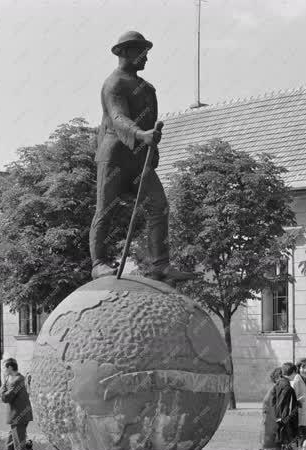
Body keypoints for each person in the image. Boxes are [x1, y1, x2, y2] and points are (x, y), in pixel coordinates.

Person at [89, 30, 195, 283]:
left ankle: (160, 265)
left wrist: (152, 147)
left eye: (147, 52)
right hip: (114, 155)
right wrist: (141, 134)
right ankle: (98, 263)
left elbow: (149, 123)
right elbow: (117, 118)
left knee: (159, 205)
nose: (146, 57)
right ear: (124, 52)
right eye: (141, 52)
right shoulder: (113, 84)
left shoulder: (148, 89)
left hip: (140, 158)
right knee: (106, 209)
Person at [0, 358, 34, 450]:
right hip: (19, 417)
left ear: (10, 368)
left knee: (19, 446)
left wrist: (1, 390)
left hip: (18, 417)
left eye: (4, 367)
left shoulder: (17, 380)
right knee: (10, 444)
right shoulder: (18, 378)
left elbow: (6, 398)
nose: (3, 370)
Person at [272, 363, 299, 450]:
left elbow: (274, 401)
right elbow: (285, 405)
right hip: (286, 420)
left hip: (278, 419)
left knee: (282, 444)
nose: (296, 375)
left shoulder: (278, 384)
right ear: (292, 372)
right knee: (289, 445)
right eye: (295, 373)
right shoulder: (288, 388)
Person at [259, 366, 283, 450]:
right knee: (270, 449)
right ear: (276, 378)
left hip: (271, 424)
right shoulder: (275, 391)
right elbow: (272, 410)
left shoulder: (277, 389)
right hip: (271, 425)